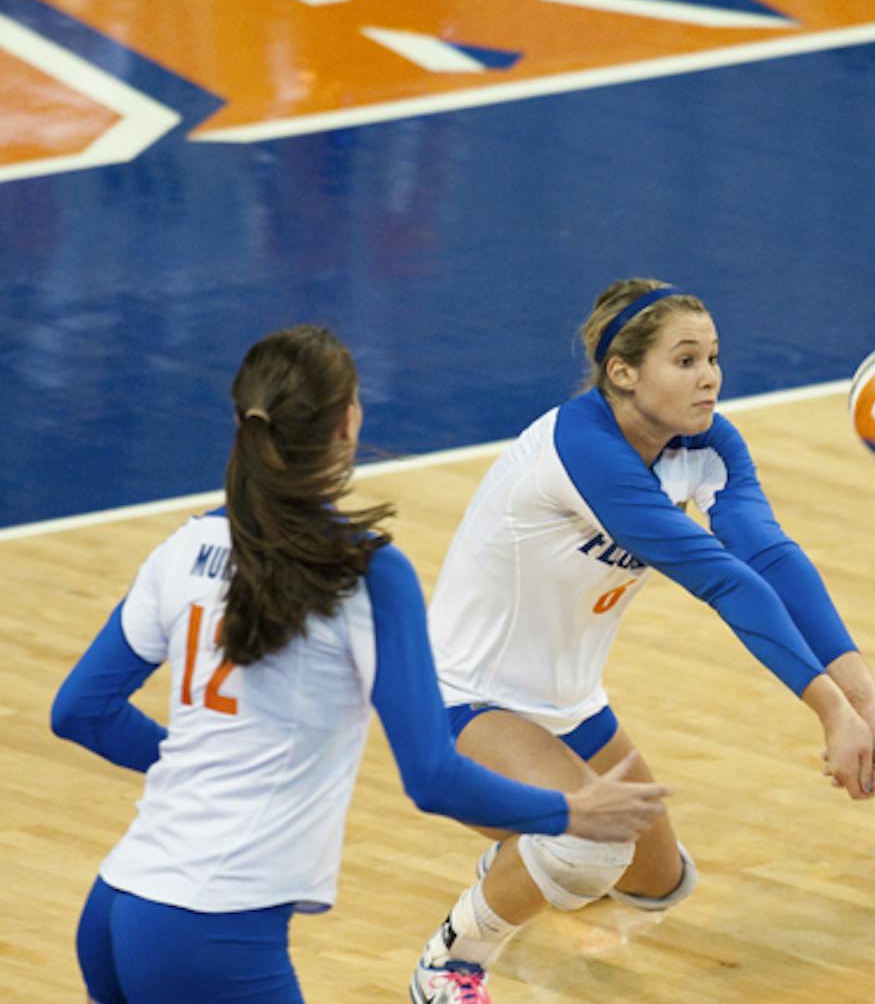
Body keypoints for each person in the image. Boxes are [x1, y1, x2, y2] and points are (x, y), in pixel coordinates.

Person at [50, 325, 669, 1004]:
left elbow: (79, 711)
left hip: (115, 905)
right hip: (212, 932)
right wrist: (568, 811)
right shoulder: (366, 573)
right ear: (350, 422)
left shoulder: (184, 547)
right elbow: (432, 776)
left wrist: (198, 757)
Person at [410, 278, 875, 1003]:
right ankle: (451, 960)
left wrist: (864, 698)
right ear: (623, 372)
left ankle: (524, 857)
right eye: (687, 359)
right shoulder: (584, 447)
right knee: (592, 844)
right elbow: (724, 580)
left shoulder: (707, 446)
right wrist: (827, 710)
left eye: (714, 357)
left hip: (570, 707)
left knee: (661, 881)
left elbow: (768, 558)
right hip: (462, 701)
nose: (710, 377)